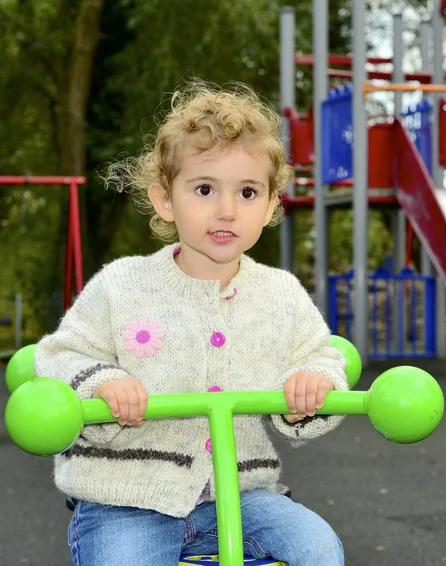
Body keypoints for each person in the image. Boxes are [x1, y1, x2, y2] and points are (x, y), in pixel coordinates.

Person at [34, 80, 348, 566]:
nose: (227, 210)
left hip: (243, 493)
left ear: (269, 207)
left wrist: (312, 383)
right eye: (204, 189)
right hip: (129, 498)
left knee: (318, 547)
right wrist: (104, 383)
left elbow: (321, 355)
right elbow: (60, 354)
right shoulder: (122, 285)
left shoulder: (281, 294)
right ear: (165, 201)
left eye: (247, 192)